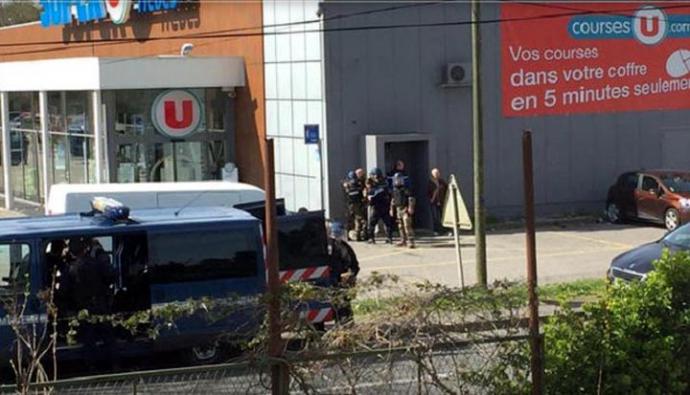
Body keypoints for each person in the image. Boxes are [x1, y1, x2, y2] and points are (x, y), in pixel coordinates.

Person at [327, 221, 360, 322]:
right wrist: (351, 274)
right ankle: (345, 326)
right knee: (343, 308)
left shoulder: (324, 245)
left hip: (329, 282)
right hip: (340, 282)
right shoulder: (342, 246)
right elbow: (353, 264)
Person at [366, 168, 393, 244]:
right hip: (377, 206)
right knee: (373, 223)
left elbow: (389, 192)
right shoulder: (370, 183)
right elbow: (368, 193)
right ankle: (372, 238)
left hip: (382, 205)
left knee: (386, 223)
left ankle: (388, 238)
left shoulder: (384, 183)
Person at [390, 172, 416, 248]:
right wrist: (391, 209)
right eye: (396, 179)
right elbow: (393, 200)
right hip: (398, 209)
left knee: (407, 225)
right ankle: (403, 240)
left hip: (405, 208)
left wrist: (411, 207)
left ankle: (411, 241)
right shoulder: (394, 190)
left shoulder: (405, 189)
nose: (397, 181)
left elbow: (411, 198)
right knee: (400, 226)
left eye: (399, 179)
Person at [342, 170, 367, 241]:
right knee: (360, 219)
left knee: (349, 220)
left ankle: (347, 236)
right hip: (358, 205)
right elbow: (362, 194)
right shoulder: (358, 184)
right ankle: (360, 236)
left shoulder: (347, 185)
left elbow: (345, 194)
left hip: (349, 205)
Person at [428, 168, 449, 235]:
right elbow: (428, 192)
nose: (437, 175)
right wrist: (431, 199)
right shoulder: (430, 182)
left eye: (438, 173)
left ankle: (445, 231)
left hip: (442, 201)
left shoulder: (442, 182)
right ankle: (436, 231)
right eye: (435, 173)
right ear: (432, 174)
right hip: (434, 202)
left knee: (443, 216)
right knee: (435, 217)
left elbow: (447, 189)